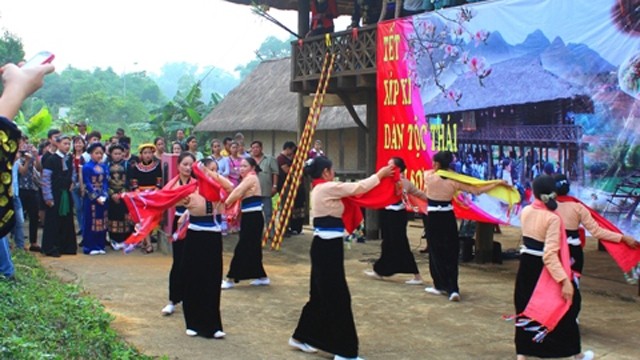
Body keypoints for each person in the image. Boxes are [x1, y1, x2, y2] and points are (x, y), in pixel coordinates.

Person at [289, 156, 394, 360]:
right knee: (338, 298)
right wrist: (380, 175)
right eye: (332, 169)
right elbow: (359, 188)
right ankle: (344, 351)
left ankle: (300, 337)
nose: (334, 173)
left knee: (320, 296)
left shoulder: (321, 187)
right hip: (326, 248)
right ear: (326, 172)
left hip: (326, 246)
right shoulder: (326, 187)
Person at [515, 175, 594, 360]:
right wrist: (564, 281)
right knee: (564, 308)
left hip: (526, 264)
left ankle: (522, 353)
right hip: (543, 268)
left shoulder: (526, 211)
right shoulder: (553, 218)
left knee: (525, 307)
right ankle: (576, 354)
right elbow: (549, 255)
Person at [423, 151, 506, 301]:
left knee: (436, 251)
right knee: (451, 251)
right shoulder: (454, 180)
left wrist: (445, 171)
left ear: (437, 164)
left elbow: (431, 172)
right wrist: (496, 183)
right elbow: (477, 190)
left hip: (433, 217)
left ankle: (439, 285)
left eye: (434, 162)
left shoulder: (428, 177)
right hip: (448, 216)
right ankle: (453, 288)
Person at [177, 156, 232, 339]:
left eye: (216, 170)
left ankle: (213, 325)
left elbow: (231, 188)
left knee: (212, 279)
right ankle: (192, 322)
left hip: (213, 237)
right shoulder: (191, 191)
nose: (214, 174)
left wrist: (212, 175)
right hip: (195, 237)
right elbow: (173, 199)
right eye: (209, 170)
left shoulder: (219, 192)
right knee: (193, 278)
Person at [554, 174, 637, 277]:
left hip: (554, 250)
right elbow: (597, 231)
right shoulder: (578, 208)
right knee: (573, 286)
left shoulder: (547, 207)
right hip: (573, 251)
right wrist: (623, 238)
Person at [364, 157, 427, 284]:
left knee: (400, 243)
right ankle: (379, 270)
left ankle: (417, 275)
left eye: (390, 166)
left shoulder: (403, 182)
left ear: (397, 169)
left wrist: (434, 200)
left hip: (397, 215)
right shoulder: (385, 180)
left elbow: (418, 193)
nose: (387, 168)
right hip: (386, 213)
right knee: (387, 243)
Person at [221, 157, 270, 289]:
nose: (241, 169)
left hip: (253, 217)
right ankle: (261, 276)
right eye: (240, 166)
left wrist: (225, 203)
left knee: (243, 246)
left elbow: (237, 192)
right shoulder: (249, 178)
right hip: (250, 217)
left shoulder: (251, 178)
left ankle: (231, 277)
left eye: (244, 166)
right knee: (253, 247)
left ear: (252, 167)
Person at [161, 152, 196, 317]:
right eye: (185, 164)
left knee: (193, 262)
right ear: (178, 166)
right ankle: (173, 300)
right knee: (178, 262)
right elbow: (163, 204)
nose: (188, 168)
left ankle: (192, 298)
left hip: (194, 223)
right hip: (178, 223)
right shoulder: (171, 185)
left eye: (191, 165)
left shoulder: (198, 184)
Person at [41, 135, 77, 257]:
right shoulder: (51, 159)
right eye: (65, 143)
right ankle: (51, 247)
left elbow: (73, 173)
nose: (67, 146)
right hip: (55, 194)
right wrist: (48, 197)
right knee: (53, 221)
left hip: (66, 193)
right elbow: (45, 179)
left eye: (68, 144)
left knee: (66, 219)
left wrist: (72, 182)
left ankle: (66, 246)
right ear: (58, 144)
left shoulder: (69, 159)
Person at [127, 143, 162, 253]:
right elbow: (134, 182)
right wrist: (138, 192)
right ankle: (149, 244)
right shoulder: (136, 168)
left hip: (153, 195)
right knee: (143, 219)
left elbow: (159, 181)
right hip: (141, 196)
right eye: (145, 153)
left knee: (151, 219)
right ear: (141, 155)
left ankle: (145, 241)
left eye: (150, 153)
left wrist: (155, 190)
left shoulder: (157, 166)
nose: (148, 155)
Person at [81, 143, 109, 255]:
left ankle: (100, 245)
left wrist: (105, 195)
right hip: (91, 198)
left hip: (102, 197)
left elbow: (106, 182)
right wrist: (95, 197)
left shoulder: (104, 167)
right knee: (91, 221)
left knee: (102, 222)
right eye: (96, 153)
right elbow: (87, 184)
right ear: (91, 154)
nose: (99, 155)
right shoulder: (87, 167)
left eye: (101, 153)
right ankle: (89, 246)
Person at [276, 141, 305, 235]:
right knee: (285, 207)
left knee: (290, 207)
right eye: (292, 150)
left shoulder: (288, 159)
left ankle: (288, 227)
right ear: (288, 148)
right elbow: (287, 171)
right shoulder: (281, 158)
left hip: (291, 185)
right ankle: (283, 229)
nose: (292, 153)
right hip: (285, 186)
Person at [18, 140, 42, 252]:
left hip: (32, 188)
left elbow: (39, 168)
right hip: (19, 188)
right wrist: (26, 160)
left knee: (34, 216)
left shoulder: (30, 150)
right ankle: (17, 242)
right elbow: (21, 171)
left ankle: (33, 242)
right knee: (18, 217)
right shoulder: (14, 154)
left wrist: (36, 156)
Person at [106, 144, 131, 250]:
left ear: (123, 154)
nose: (117, 156)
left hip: (124, 195)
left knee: (124, 217)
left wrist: (122, 193)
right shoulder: (106, 165)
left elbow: (130, 181)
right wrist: (112, 194)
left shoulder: (127, 165)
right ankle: (114, 240)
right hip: (111, 195)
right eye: (115, 154)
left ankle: (126, 240)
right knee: (112, 217)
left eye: (119, 153)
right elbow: (104, 181)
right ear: (111, 154)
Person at [250, 140, 279, 227]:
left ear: (261, 148)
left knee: (268, 213)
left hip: (266, 190)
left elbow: (275, 173)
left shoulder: (270, 159)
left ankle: (271, 233)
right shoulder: (249, 160)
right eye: (253, 148)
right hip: (253, 192)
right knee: (254, 215)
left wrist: (274, 186)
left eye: (257, 147)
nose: (255, 149)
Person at [71, 136, 87, 236]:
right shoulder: (70, 157)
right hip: (73, 185)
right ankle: (81, 227)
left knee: (85, 206)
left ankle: (85, 227)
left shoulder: (86, 157)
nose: (78, 144)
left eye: (80, 142)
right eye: (76, 143)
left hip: (84, 184)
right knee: (78, 207)